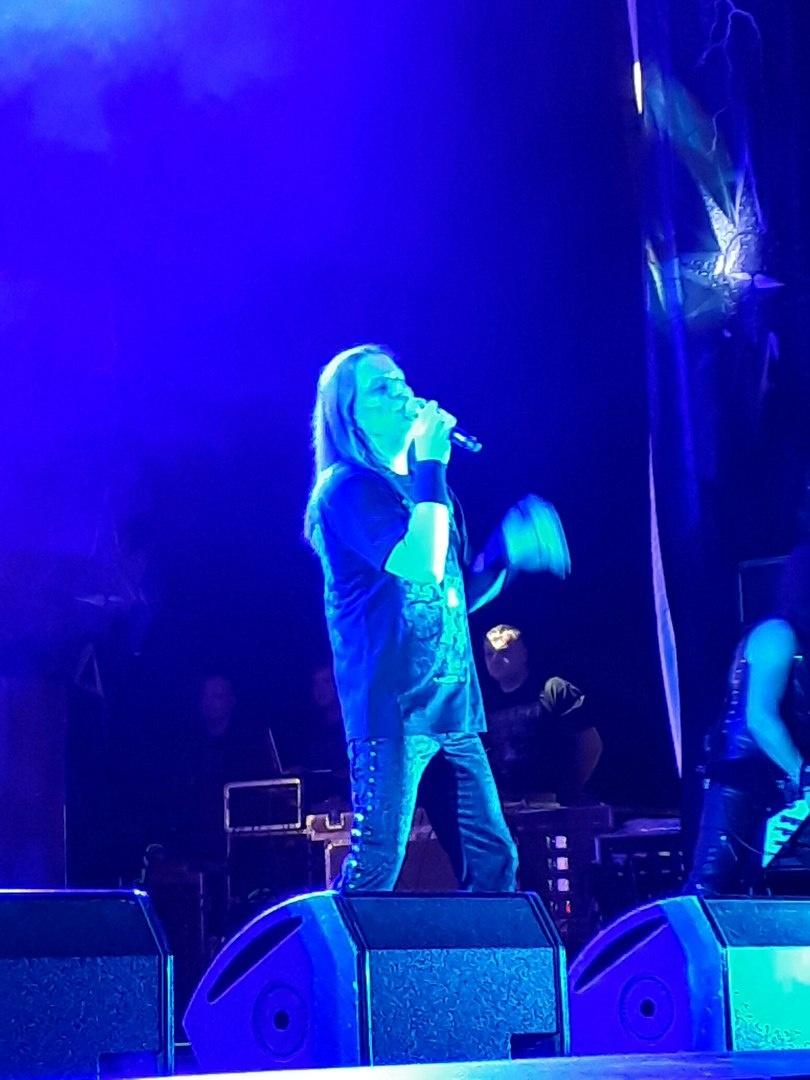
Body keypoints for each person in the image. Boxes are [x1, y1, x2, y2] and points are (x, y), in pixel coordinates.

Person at [304, 343, 570, 891]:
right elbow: (420, 563)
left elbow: (449, 595)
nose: (401, 392)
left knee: (493, 862)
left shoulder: (430, 490)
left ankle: (488, 951)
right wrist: (431, 461)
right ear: (349, 415)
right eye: (381, 388)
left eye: (401, 380)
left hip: (453, 707)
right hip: (392, 708)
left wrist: (505, 550)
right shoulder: (348, 489)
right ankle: (329, 948)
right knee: (377, 863)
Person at [687, 543, 810, 896]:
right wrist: (802, 775)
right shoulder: (777, 634)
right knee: (712, 889)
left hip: (781, 785)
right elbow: (760, 717)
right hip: (743, 784)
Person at [482, 623, 601, 804]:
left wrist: (569, 790)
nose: (496, 659)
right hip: (506, 804)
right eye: (489, 654)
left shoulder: (554, 689)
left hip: (553, 804)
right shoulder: (485, 702)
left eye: (504, 651)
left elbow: (590, 744)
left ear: (523, 654)